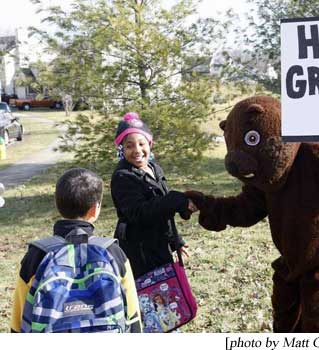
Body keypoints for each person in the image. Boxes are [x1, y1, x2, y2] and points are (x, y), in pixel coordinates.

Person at [10, 168, 142, 332]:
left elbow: (18, 322)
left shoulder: (37, 255)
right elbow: (133, 316)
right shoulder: (114, 253)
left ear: (57, 204)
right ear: (95, 209)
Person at [111, 112, 196, 278]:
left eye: (141, 143)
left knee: (168, 294)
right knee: (150, 298)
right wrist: (173, 200)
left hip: (160, 244)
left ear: (149, 144)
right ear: (122, 149)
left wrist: (175, 241)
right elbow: (139, 212)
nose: (137, 150)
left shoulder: (155, 169)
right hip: (139, 251)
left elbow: (164, 212)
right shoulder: (122, 176)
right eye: (129, 146)